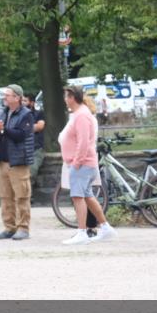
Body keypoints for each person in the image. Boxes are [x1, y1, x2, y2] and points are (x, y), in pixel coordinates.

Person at [60, 85, 116, 244]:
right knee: (88, 196)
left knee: (78, 197)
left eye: (66, 96)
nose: (65, 100)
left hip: (82, 164)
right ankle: (105, 227)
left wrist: (76, 163)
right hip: (84, 163)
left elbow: (83, 142)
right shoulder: (80, 114)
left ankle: (82, 232)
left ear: (72, 98)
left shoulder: (81, 116)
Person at [0, 84, 35, 241]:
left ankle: (23, 228)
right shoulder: (3, 112)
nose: (4, 98)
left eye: (7, 95)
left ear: (17, 97)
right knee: (5, 196)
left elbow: (21, 135)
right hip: (3, 162)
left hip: (18, 162)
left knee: (21, 196)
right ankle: (9, 227)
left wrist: (2, 129)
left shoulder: (26, 114)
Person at [25, 94, 46, 182]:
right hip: (22, 150)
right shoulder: (18, 115)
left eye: (25, 101)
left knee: (31, 172)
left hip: (36, 149)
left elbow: (40, 126)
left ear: (32, 103)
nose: (22, 103)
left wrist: (21, 128)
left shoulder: (39, 114)